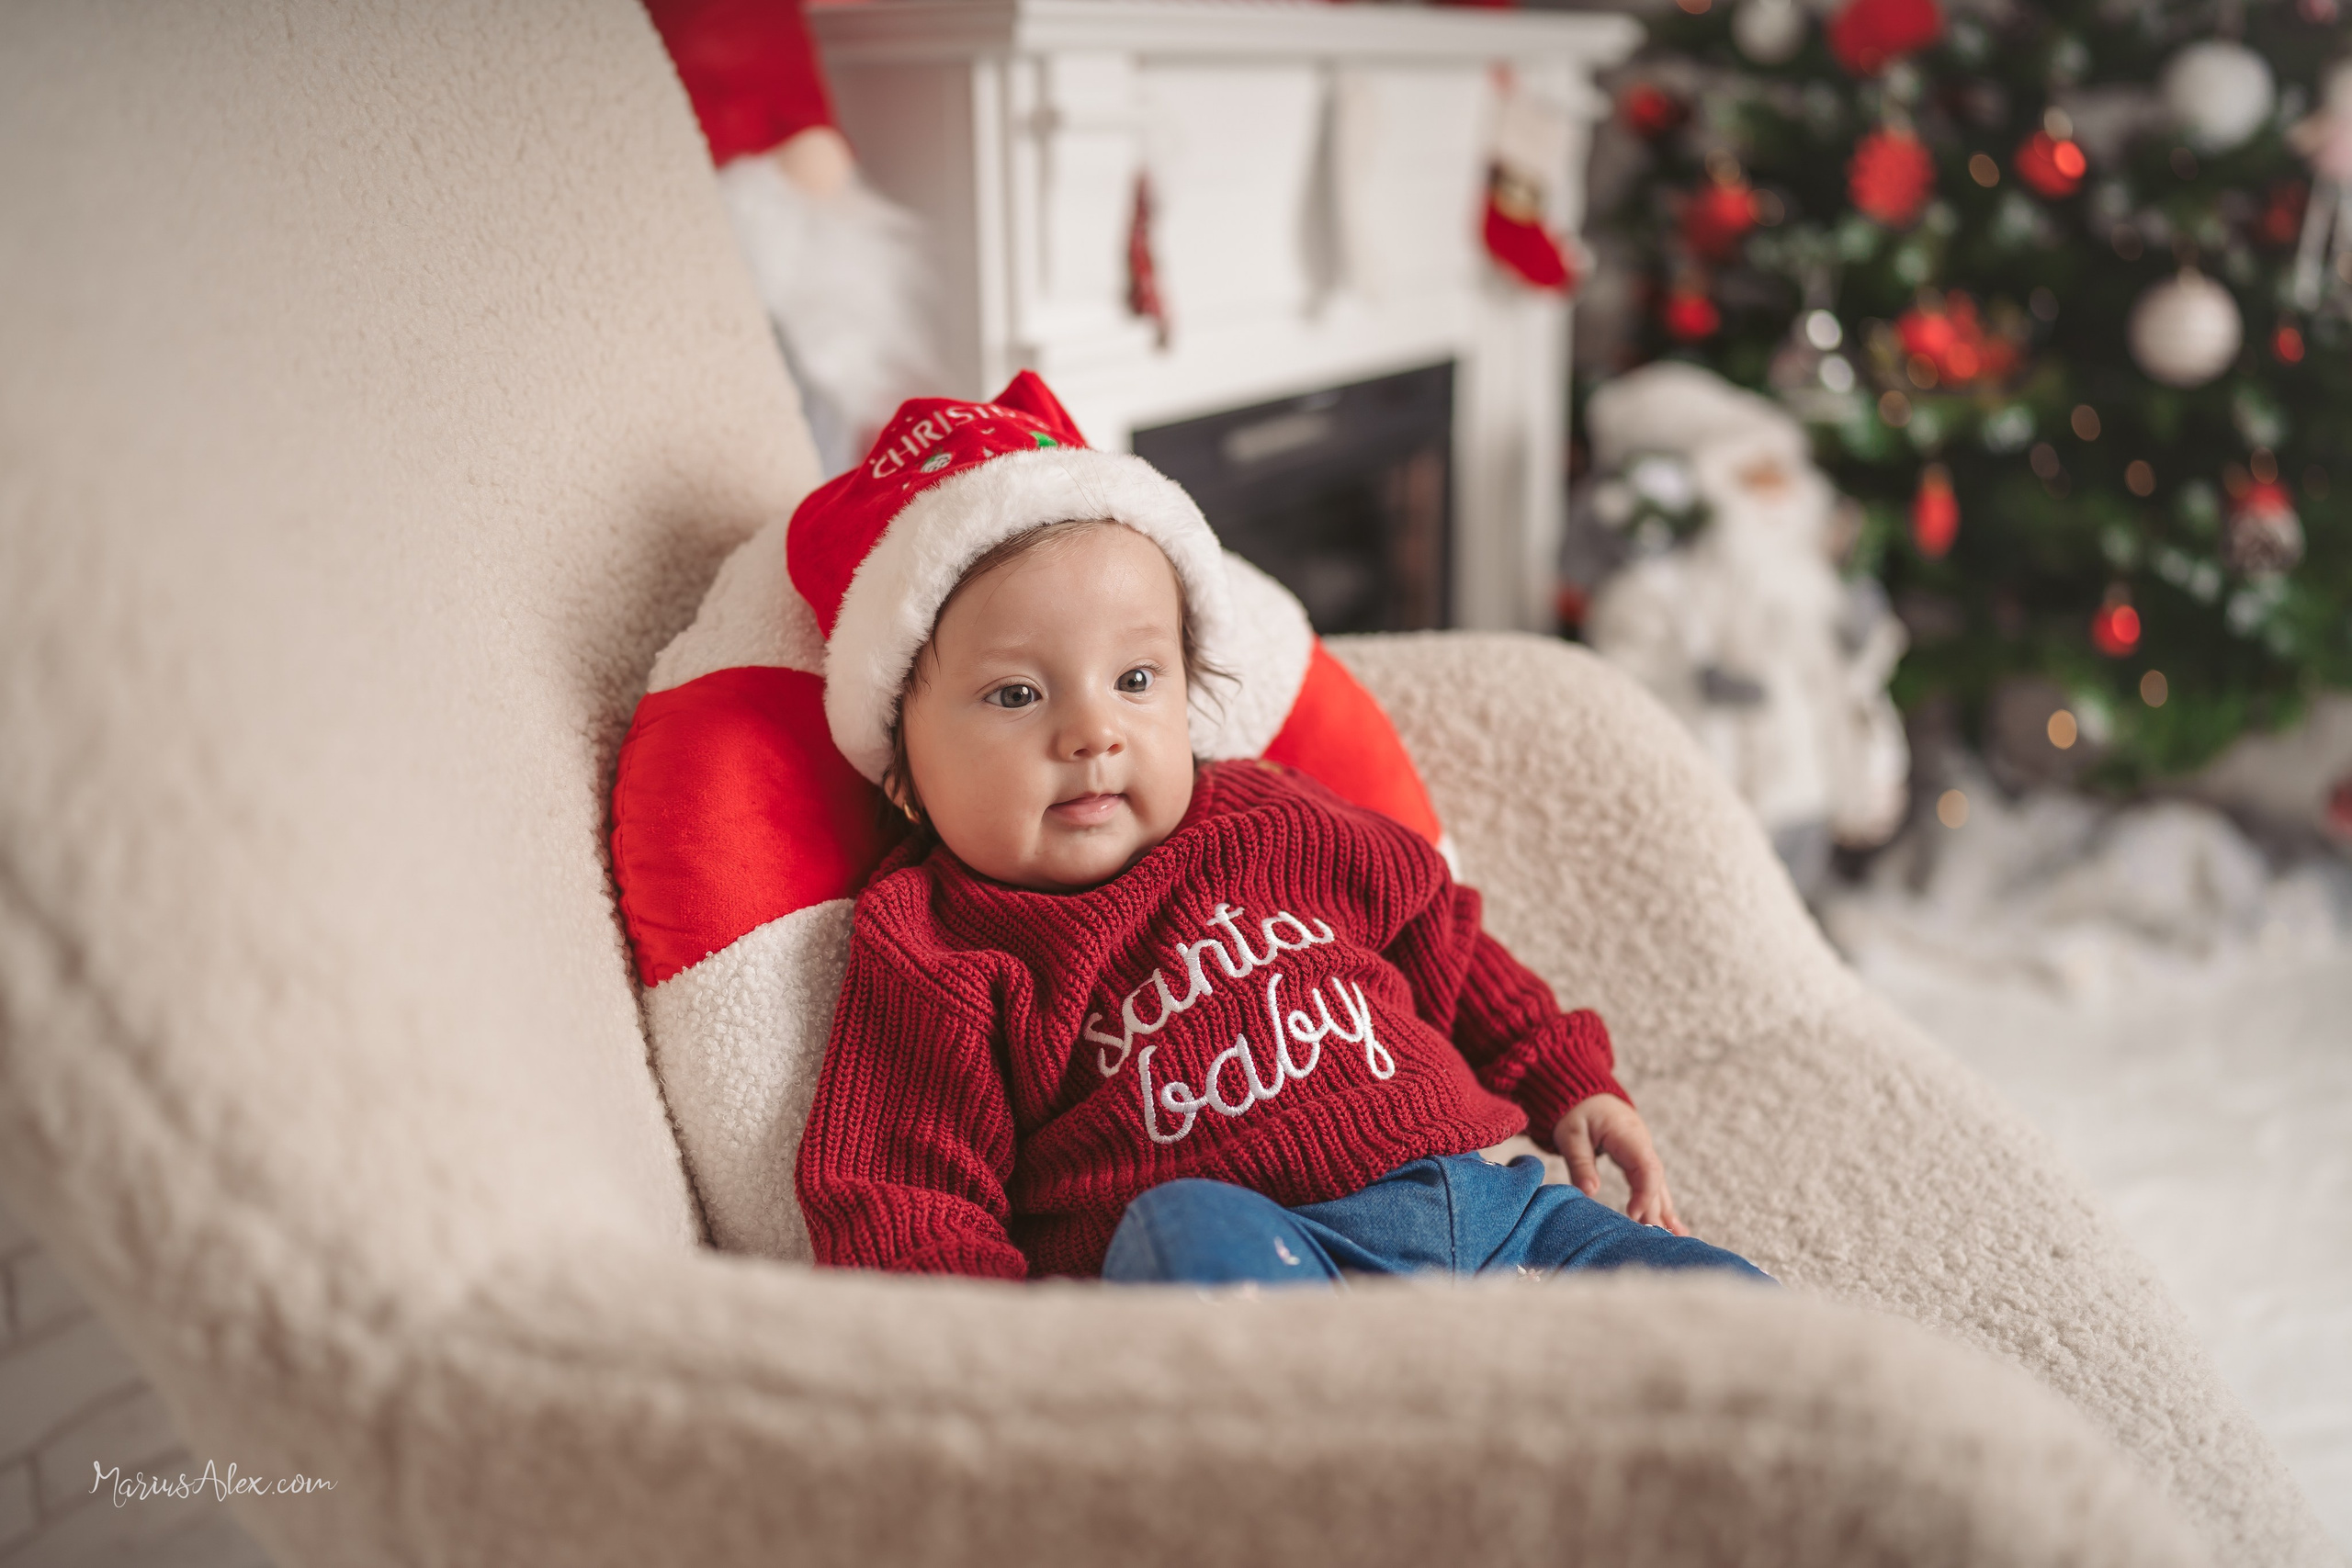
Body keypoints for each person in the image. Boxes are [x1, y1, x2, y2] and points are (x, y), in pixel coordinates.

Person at [788, 371, 1769, 1288]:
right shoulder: (938, 943)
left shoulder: (1271, 814)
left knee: (1715, 1299)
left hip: (1495, 1209)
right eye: (1015, 693)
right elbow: (899, 1198)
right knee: (1179, 1234)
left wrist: (1567, 1079)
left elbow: (1446, 942)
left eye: (1135, 681)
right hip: (1278, 1260)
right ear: (904, 774)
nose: (1092, 733)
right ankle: (1336, 1427)